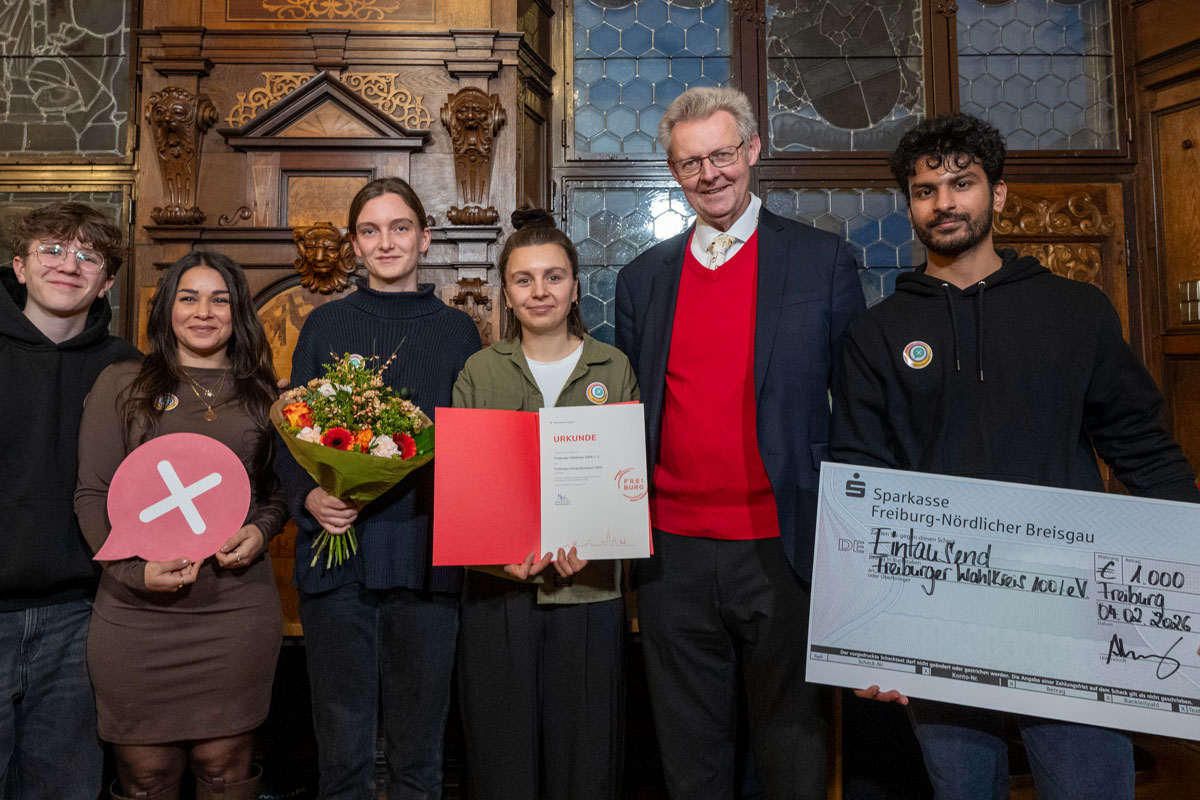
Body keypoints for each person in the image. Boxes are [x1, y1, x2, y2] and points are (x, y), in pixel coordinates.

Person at [830, 111, 1200, 800]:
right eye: (925, 189)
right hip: (938, 616)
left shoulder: (1076, 311)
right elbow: (859, 483)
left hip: (1071, 614)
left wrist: (1194, 570)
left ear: (997, 194)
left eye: (962, 183)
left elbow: (1142, 446)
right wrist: (865, 633)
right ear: (908, 204)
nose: (944, 203)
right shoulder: (876, 334)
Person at [614, 86, 865, 799]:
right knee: (689, 754)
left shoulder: (822, 262)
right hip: (673, 556)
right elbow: (633, 416)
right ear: (674, 172)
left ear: (753, 151)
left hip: (784, 545)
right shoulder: (641, 280)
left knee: (792, 745)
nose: (709, 174)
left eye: (722, 154)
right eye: (690, 162)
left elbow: (855, 409)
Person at [275, 177, 481, 800]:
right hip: (338, 562)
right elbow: (290, 435)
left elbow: (470, 450)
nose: (385, 242)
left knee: (420, 759)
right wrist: (307, 500)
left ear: (423, 237)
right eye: (370, 230)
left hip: (425, 559)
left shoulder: (459, 333)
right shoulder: (323, 326)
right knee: (342, 758)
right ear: (354, 247)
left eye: (398, 228)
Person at [76, 250, 286, 800]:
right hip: (135, 616)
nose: (204, 311)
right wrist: (131, 571)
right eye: (188, 297)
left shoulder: (265, 396)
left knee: (225, 768)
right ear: (167, 308)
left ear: (237, 311)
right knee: (146, 775)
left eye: (220, 299)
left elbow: (274, 495)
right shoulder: (123, 384)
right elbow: (92, 494)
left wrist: (261, 532)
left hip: (234, 612)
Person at [452, 210, 638, 800]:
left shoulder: (614, 366)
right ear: (507, 292)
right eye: (524, 279)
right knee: (502, 756)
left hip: (590, 589)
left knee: (586, 757)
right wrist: (497, 556)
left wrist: (600, 539)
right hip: (498, 592)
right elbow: (466, 488)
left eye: (553, 277)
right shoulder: (480, 371)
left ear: (575, 287)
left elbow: (627, 479)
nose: (540, 292)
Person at [0, 201, 140, 799]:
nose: (68, 265)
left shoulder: (129, 369)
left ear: (107, 281)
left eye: (88, 256)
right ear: (20, 266)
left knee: (67, 786)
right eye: (52, 250)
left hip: (83, 614)